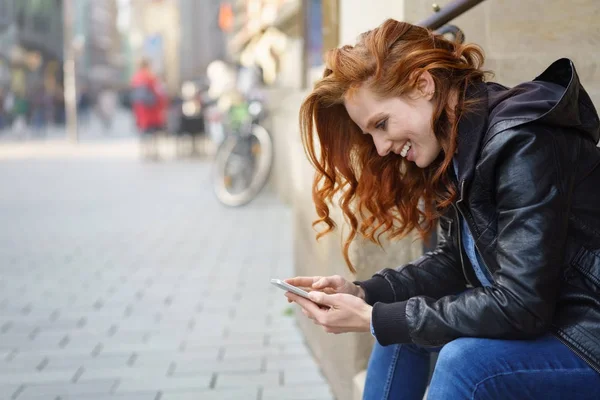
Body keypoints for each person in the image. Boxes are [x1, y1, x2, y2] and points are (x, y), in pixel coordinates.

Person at [284, 19, 600, 400]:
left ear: (423, 84)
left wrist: (374, 318)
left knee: (463, 361)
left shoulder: (522, 141)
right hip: (553, 323)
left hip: (586, 335)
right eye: (371, 134)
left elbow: (522, 304)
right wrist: (364, 294)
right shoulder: (456, 147)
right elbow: (453, 262)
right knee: (396, 327)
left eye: (382, 124)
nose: (381, 147)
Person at [130, 59, 167, 160]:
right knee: (154, 133)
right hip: (153, 111)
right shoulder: (151, 78)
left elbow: (134, 97)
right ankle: (154, 151)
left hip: (140, 111)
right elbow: (160, 93)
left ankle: (145, 151)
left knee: (144, 132)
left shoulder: (135, 78)